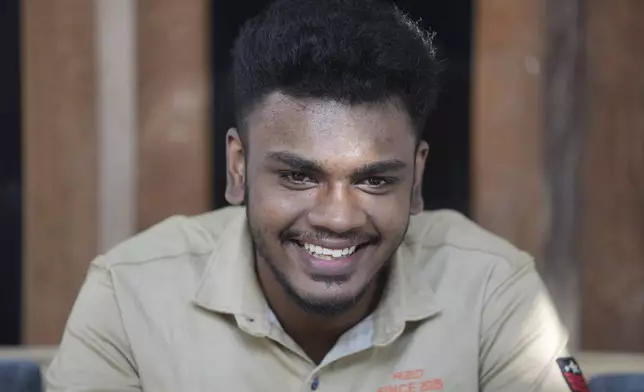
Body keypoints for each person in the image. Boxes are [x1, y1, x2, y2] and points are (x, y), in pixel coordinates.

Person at [47, 0, 587, 391]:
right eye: (298, 177)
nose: (337, 217)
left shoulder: (492, 289)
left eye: (375, 180)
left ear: (416, 179)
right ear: (239, 168)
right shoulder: (130, 293)